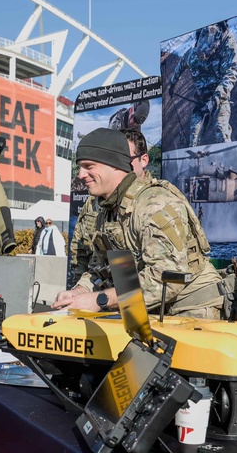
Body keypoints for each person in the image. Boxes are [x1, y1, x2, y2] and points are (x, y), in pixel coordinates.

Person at [52, 128, 222, 317]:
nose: (81, 175)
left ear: (113, 163)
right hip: (148, 308)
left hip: (190, 308)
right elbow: (99, 270)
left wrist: (100, 299)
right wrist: (78, 293)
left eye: (89, 166)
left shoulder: (154, 204)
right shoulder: (107, 209)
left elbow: (167, 279)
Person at [168, 21, 237, 146]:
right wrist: (172, 85)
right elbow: (180, 67)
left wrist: (214, 101)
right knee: (194, 139)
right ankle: (195, 164)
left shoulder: (228, 44)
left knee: (221, 130)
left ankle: (227, 158)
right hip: (201, 100)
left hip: (219, 98)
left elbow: (231, 74)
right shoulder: (192, 54)